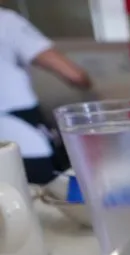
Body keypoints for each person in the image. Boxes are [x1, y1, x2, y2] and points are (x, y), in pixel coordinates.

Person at [0, 6, 92, 186]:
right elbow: (74, 75)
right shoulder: (6, 21)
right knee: (51, 198)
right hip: (22, 136)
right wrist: (87, 83)